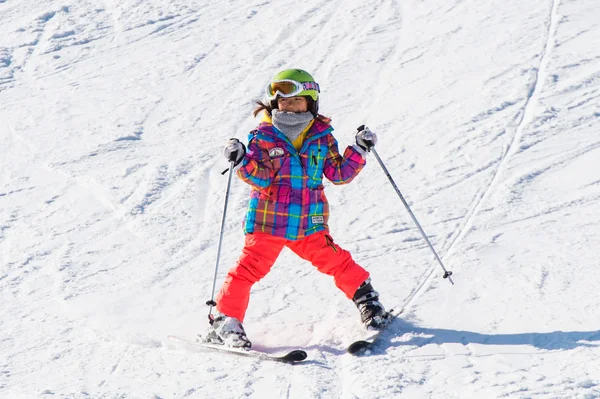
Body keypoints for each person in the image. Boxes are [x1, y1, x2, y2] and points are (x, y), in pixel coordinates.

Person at [203, 68, 388, 348]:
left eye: (295, 101)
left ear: (310, 102)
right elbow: (261, 177)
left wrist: (359, 150)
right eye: (283, 102)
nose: (288, 107)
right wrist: (242, 160)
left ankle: (368, 302)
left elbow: (338, 173)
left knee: (337, 261)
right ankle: (226, 321)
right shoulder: (263, 137)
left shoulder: (322, 136)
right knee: (247, 270)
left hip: (308, 223)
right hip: (269, 221)